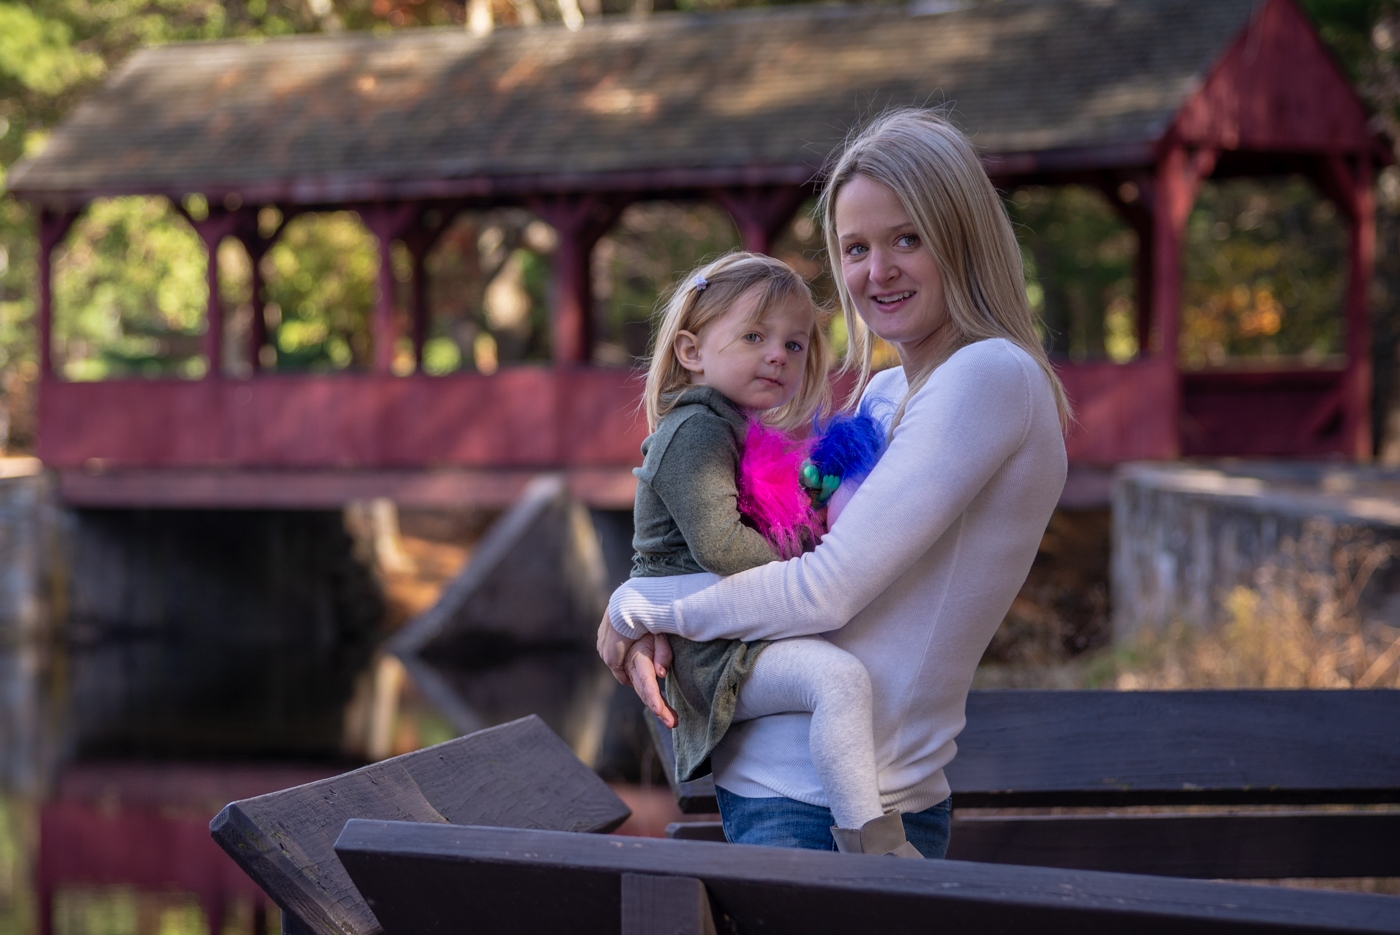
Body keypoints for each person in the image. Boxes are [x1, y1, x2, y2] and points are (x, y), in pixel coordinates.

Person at [598, 108, 1071, 858]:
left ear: (964, 237)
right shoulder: (883, 395)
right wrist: (654, 600)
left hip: (839, 807)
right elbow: (779, 549)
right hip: (780, 786)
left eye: (907, 239)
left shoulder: (991, 376)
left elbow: (824, 590)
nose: (876, 272)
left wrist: (641, 604)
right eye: (856, 248)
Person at [623, 250, 923, 857]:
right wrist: (810, 564)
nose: (778, 356)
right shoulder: (697, 431)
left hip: (730, 625)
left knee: (837, 676)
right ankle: (876, 846)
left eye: (794, 344)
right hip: (706, 647)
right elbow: (721, 546)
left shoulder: (734, 427)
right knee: (835, 679)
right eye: (755, 336)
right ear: (691, 351)